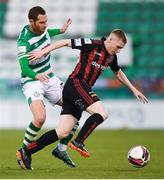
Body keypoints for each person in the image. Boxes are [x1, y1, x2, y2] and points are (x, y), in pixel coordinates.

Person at [17, 29, 148, 170]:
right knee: (102, 113)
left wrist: (133, 89)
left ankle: (26, 150)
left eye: (121, 49)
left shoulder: (111, 56)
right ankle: (79, 142)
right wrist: (43, 52)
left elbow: (117, 72)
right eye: (118, 47)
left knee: (62, 132)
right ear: (110, 40)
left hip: (76, 90)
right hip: (76, 84)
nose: (119, 51)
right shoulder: (92, 44)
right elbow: (66, 42)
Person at [16, 6, 79, 168]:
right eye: (42, 22)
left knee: (76, 107)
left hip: (49, 78)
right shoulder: (24, 42)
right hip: (32, 80)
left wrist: (61, 30)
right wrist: (37, 76)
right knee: (40, 118)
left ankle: (61, 148)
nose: (45, 25)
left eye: (46, 22)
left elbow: (48, 33)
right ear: (31, 22)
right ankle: (24, 152)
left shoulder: (43, 30)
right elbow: (24, 68)